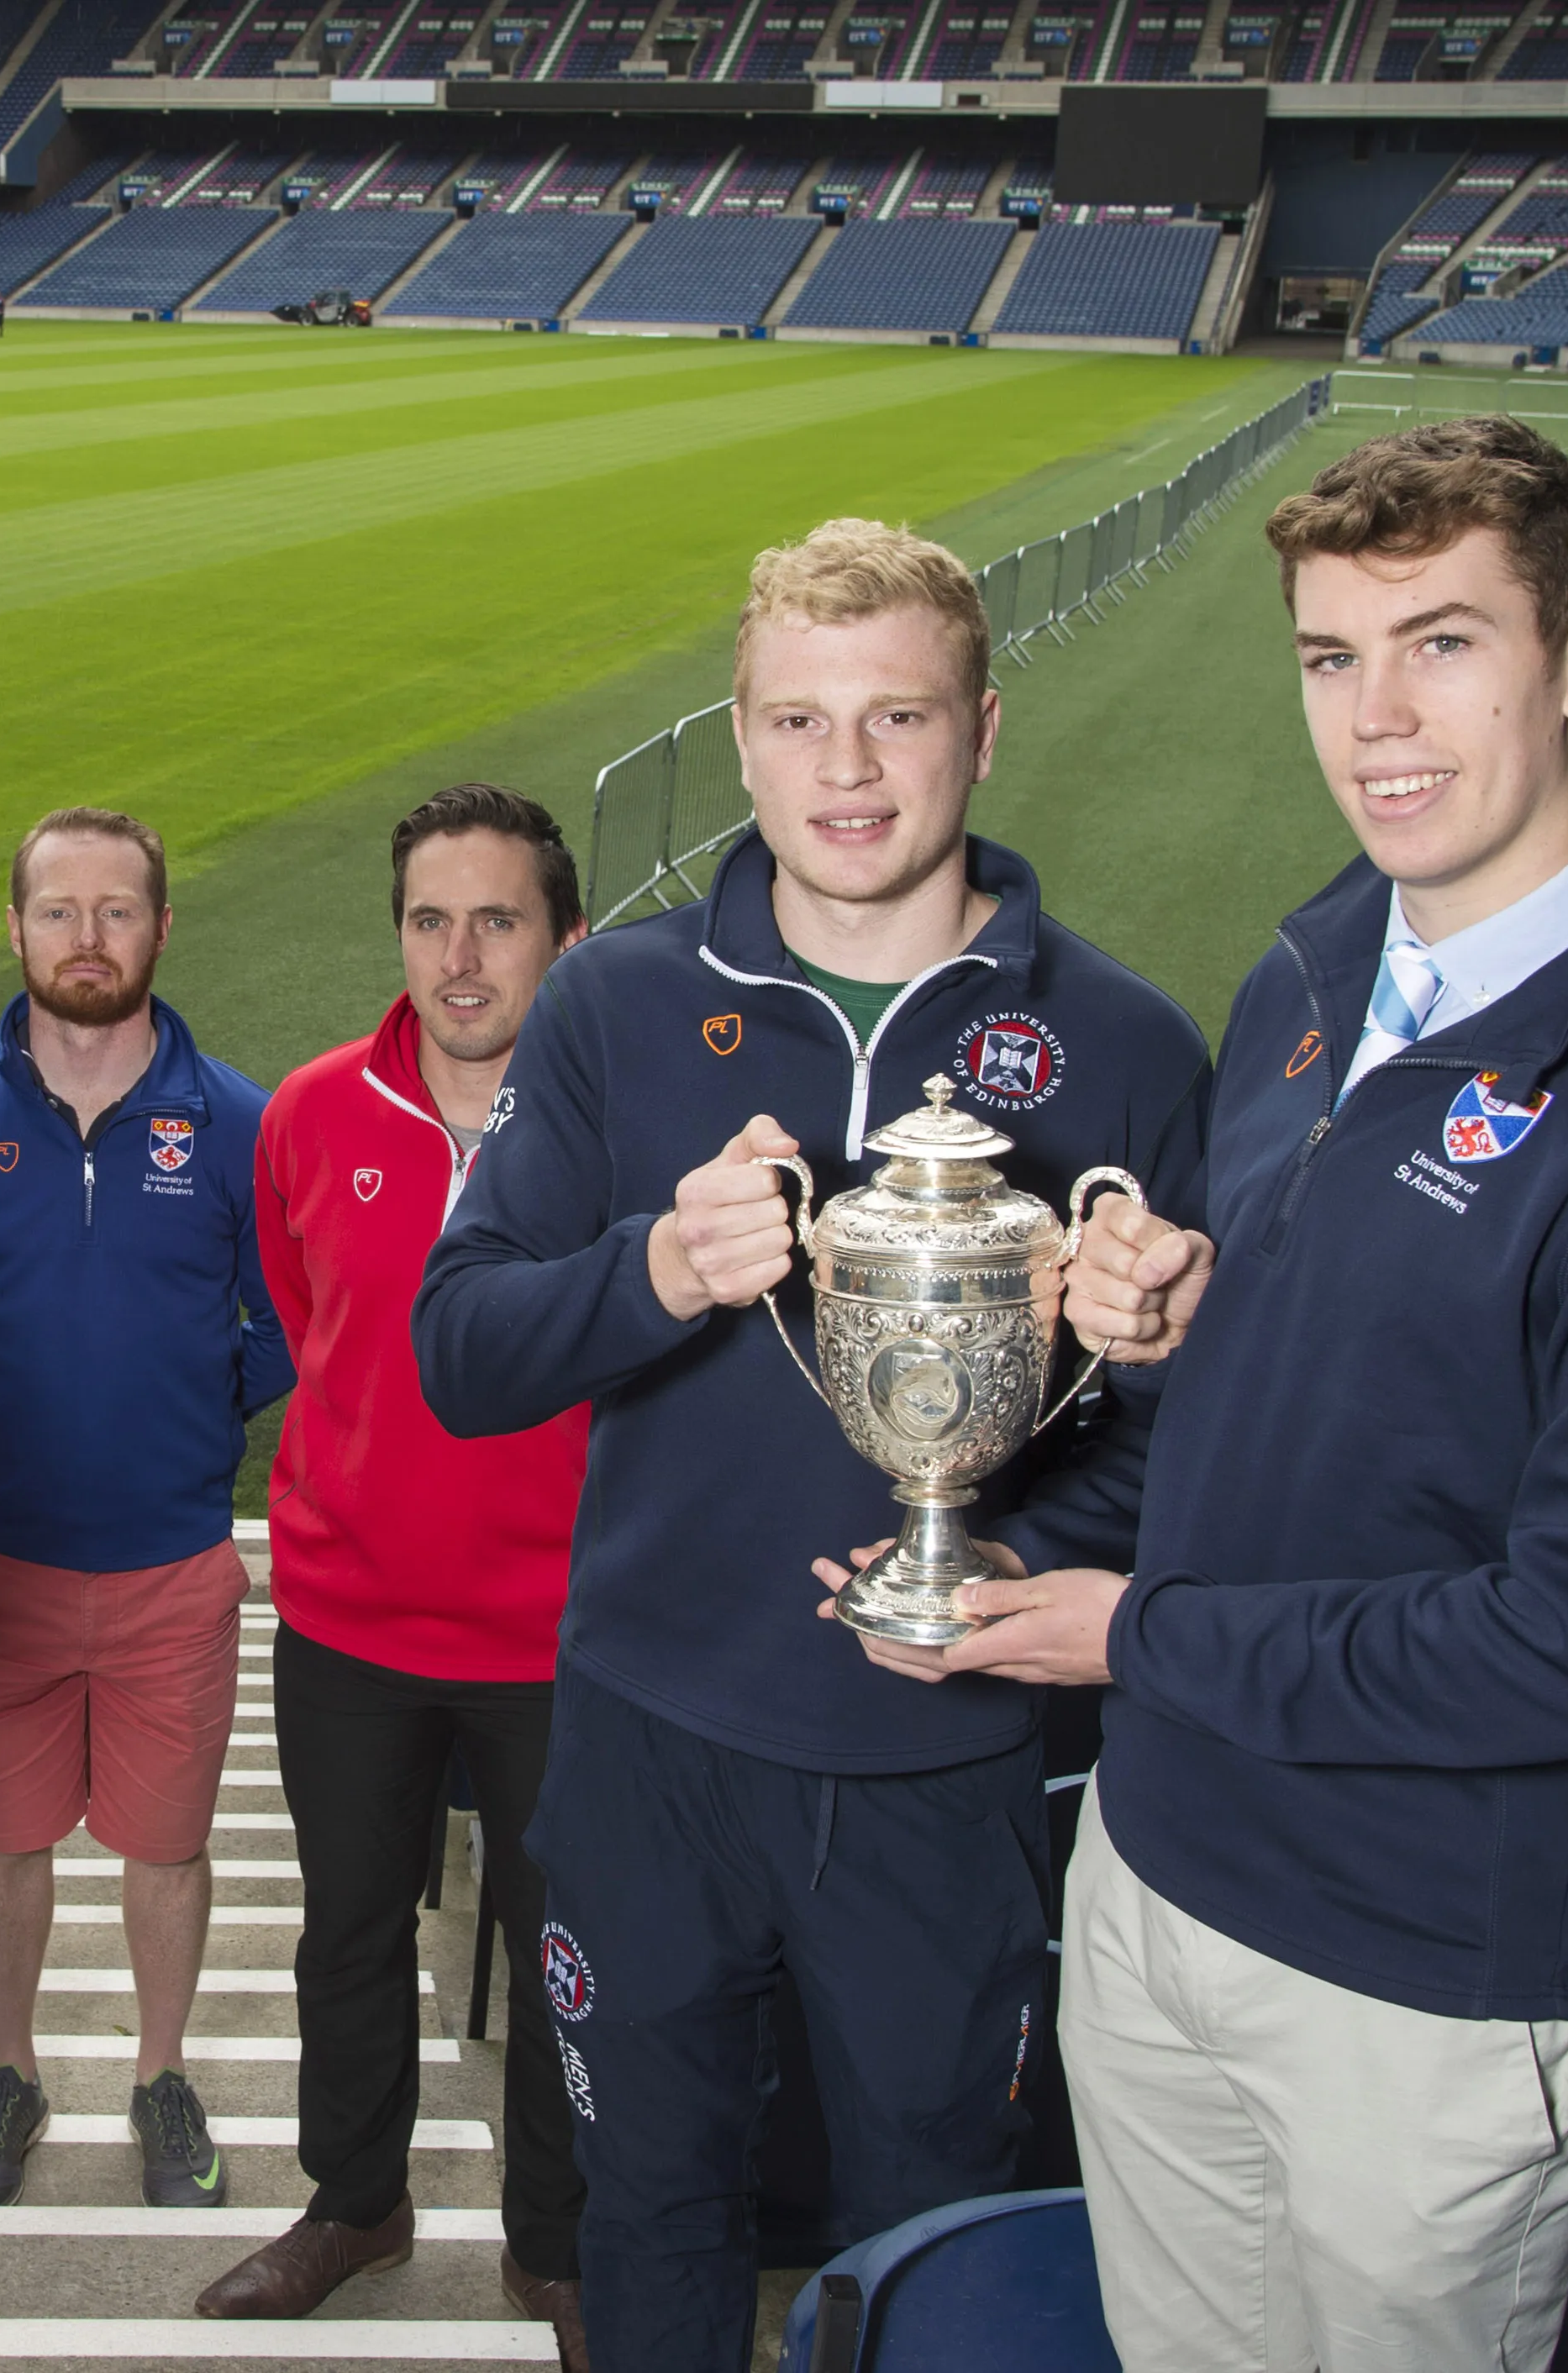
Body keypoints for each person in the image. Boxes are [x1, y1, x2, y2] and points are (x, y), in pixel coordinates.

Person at [881, 419, 1568, 2372]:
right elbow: (1394, 1339)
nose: (1378, 718)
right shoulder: (1321, 965)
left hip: (1424, 1991)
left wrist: (1132, 1640)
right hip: (1162, 1894)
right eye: (1335, 657)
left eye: (1445, 644)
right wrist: (1192, 1303)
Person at [413, 520, 1213, 2371]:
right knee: (652, 2218)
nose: (848, 770)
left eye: (897, 715)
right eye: (800, 718)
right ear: (745, 740)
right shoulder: (614, 1000)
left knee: (934, 2233)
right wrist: (661, 1265)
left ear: (984, 728)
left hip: (938, 1768)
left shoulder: (1120, 1043)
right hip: (651, 1745)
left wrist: (1013, 1547)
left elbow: (1182, 1432)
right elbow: (463, 1351)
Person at [0, 806, 293, 2213]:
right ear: (17, 927)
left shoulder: (238, 1121)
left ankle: (161, 2076)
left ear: (162, 928)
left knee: (167, 1848)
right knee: (8, 1842)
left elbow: (290, 1320)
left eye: (117, 911)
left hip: (174, 1565)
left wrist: (202, 1410)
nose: (87, 938)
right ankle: (12, 2070)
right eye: (58, 910)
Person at [201, 785, 593, 2361]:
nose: (460, 958)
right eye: (430, 920)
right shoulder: (309, 1111)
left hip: (564, 1631)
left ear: (563, 937)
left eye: (498, 920)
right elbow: (315, 1326)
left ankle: (558, 2245)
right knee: (347, 1926)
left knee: (571, 1950)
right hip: (353, 1619)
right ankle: (355, 2201)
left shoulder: (619, 1123)